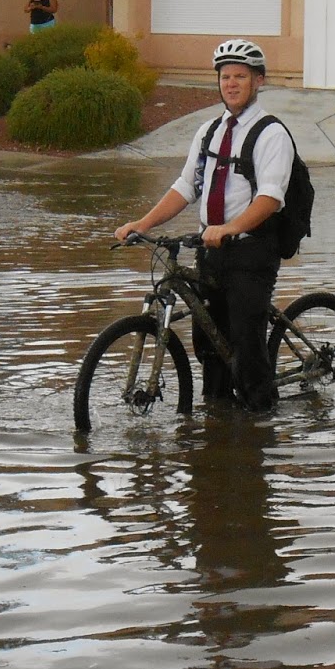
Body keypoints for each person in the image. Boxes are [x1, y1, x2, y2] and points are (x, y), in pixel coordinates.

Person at [114, 38, 294, 412]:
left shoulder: (271, 134)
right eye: (225, 76)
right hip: (211, 252)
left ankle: (261, 426)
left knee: (246, 346)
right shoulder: (209, 131)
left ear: (258, 80)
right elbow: (187, 186)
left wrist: (230, 228)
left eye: (240, 76)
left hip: (252, 251)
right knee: (209, 347)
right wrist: (142, 223)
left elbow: (270, 198)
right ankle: (217, 421)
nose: (231, 83)